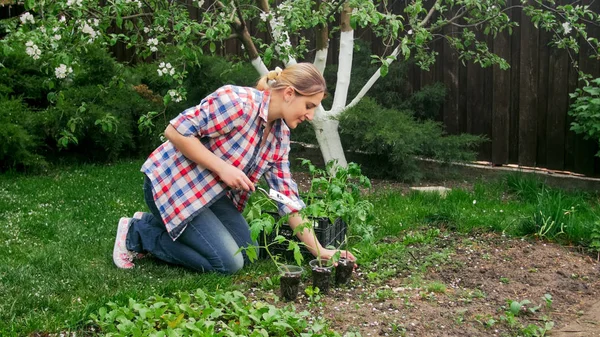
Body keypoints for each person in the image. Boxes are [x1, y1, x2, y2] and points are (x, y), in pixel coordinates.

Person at [112, 62, 356, 274]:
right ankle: (138, 233)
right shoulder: (237, 102)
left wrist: (320, 250)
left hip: (210, 195)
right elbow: (174, 130)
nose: (311, 116)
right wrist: (223, 169)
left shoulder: (279, 136)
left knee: (248, 253)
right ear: (290, 93)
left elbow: (287, 198)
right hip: (173, 186)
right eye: (309, 106)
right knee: (229, 263)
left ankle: (155, 223)